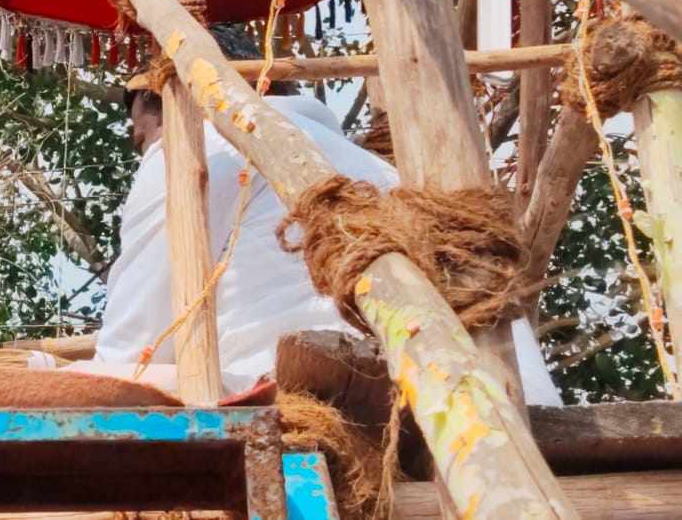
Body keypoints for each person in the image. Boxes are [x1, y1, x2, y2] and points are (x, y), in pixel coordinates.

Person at [94, 24, 562, 404]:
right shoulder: (381, 169)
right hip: (513, 402)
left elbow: (137, 346)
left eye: (143, 135)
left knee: (89, 387)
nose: (146, 148)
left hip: (368, 408)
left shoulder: (196, 148)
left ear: (172, 98)